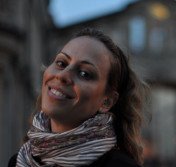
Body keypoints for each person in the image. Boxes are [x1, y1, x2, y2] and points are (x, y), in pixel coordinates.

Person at [8, 28, 149, 167]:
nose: (63, 75)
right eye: (61, 63)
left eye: (84, 74)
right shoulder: (19, 161)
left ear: (107, 101)